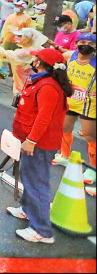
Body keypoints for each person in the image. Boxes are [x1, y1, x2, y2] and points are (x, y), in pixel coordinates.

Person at [6, 48, 70, 244]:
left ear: (39, 63)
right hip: (33, 141)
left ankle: (42, 230)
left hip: (39, 144)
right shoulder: (43, 82)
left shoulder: (48, 87)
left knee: (37, 183)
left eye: (35, 58)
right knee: (30, 178)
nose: (31, 60)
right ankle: (27, 210)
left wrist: (31, 140)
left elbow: (44, 118)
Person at [53, 32, 96, 195]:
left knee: (90, 136)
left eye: (90, 44)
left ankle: (92, 169)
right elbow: (58, 64)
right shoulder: (70, 56)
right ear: (77, 43)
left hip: (89, 104)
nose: (86, 46)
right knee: (65, 127)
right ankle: (65, 155)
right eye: (83, 42)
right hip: (70, 99)